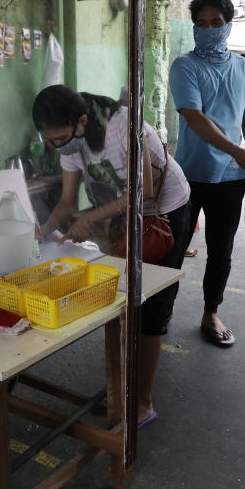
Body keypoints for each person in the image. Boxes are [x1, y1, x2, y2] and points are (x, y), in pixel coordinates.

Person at [32, 85, 191, 428]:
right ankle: (128, 375)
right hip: (128, 215)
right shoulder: (72, 145)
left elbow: (144, 191)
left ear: (82, 121)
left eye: (59, 138)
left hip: (163, 214)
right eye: (50, 139)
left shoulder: (124, 126)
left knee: (149, 308)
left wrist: (92, 217)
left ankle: (143, 402)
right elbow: (66, 203)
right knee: (128, 299)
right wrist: (42, 233)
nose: (56, 145)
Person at [168, 0, 245, 348]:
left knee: (221, 251)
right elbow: (194, 118)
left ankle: (211, 312)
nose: (208, 29)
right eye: (201, 23)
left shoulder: (243, 67)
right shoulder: (185, 66)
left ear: (228, 25)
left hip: (231, 179)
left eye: (216, 23)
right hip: (188, 176)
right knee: (173, 248)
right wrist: (239, 152)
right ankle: (160, 311)